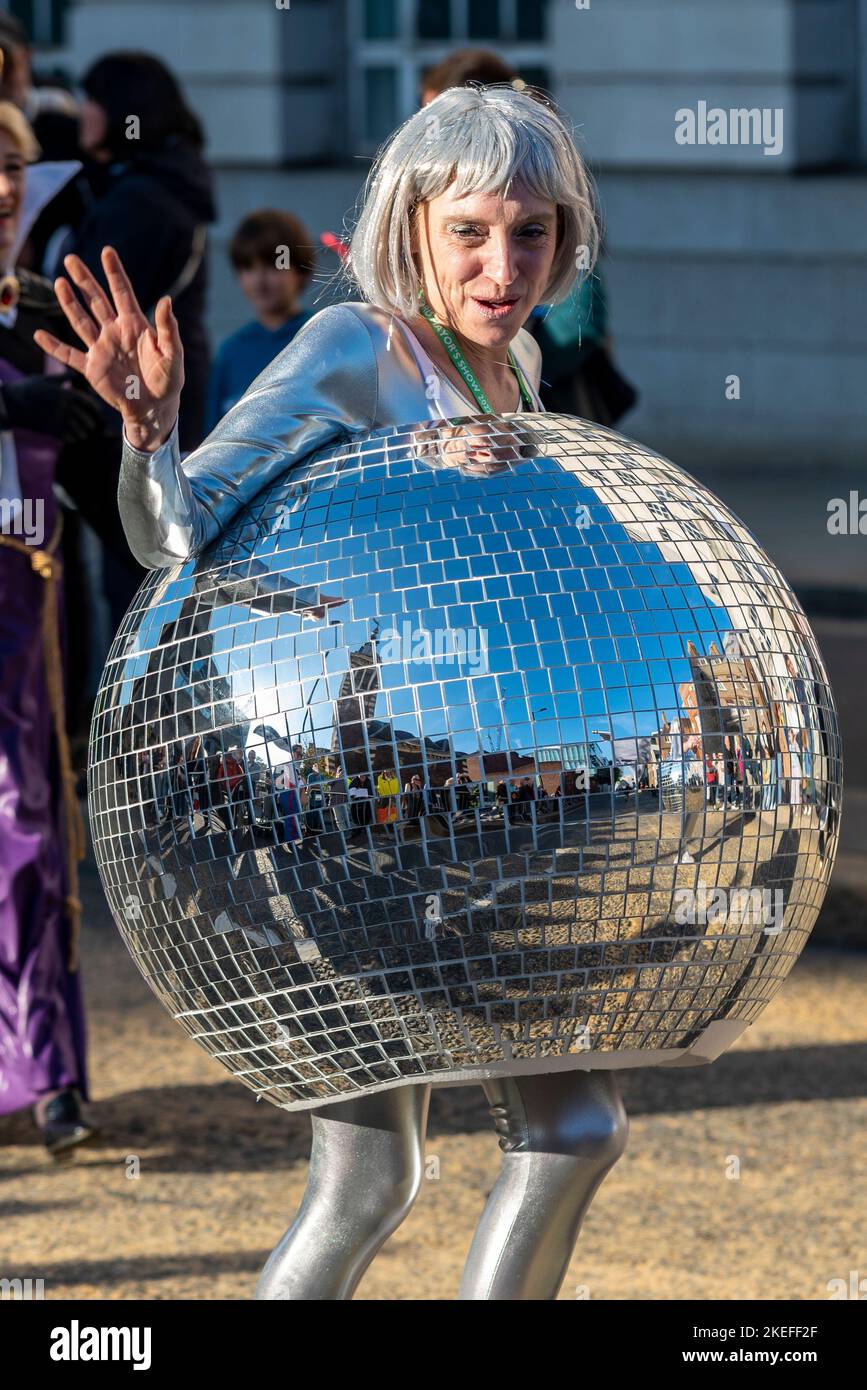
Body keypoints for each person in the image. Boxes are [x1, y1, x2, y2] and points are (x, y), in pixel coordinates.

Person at [36, 83, 628, 1302]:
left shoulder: (515, 370)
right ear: (411, 224)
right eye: (470, 230)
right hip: (351, 826)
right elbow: (174, 535)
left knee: (538, 1138)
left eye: (530, 232)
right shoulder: (357, 347)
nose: (501, 264)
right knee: (392, 1174)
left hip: (474, 823)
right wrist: (150, 432)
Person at [0, 98, 103, 1155]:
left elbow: (91, 473)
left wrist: (110, 414)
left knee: (32, 836)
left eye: (14, 169)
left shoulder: (40, 303)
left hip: (26, 613)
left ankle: (50, 1072)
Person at [204, 209, 315, 435]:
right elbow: (212, 442)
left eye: (274, 265)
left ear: (301, 270)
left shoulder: (321, 337)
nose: (259, 280)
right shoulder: (230, 354)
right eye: (248, 268)